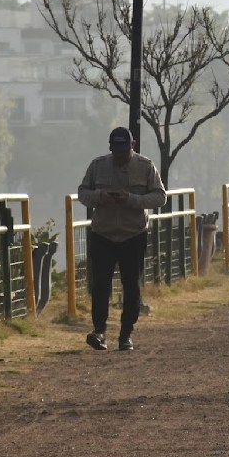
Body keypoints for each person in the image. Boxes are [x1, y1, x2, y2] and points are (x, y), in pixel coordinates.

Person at [77, 127, 167, 351]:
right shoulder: (97, 166)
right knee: (100, 285)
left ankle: (126, 333)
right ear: (110, 148)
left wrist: (132, 199)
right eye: (117, 151)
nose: (120, 156)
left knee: (131, 286)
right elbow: (82, 193)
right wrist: (101, 197)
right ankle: (99, 331)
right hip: (103, 233)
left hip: (133, 234)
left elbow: (160, 197)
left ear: (132, 146)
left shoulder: (146, 167)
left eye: (124, 150)